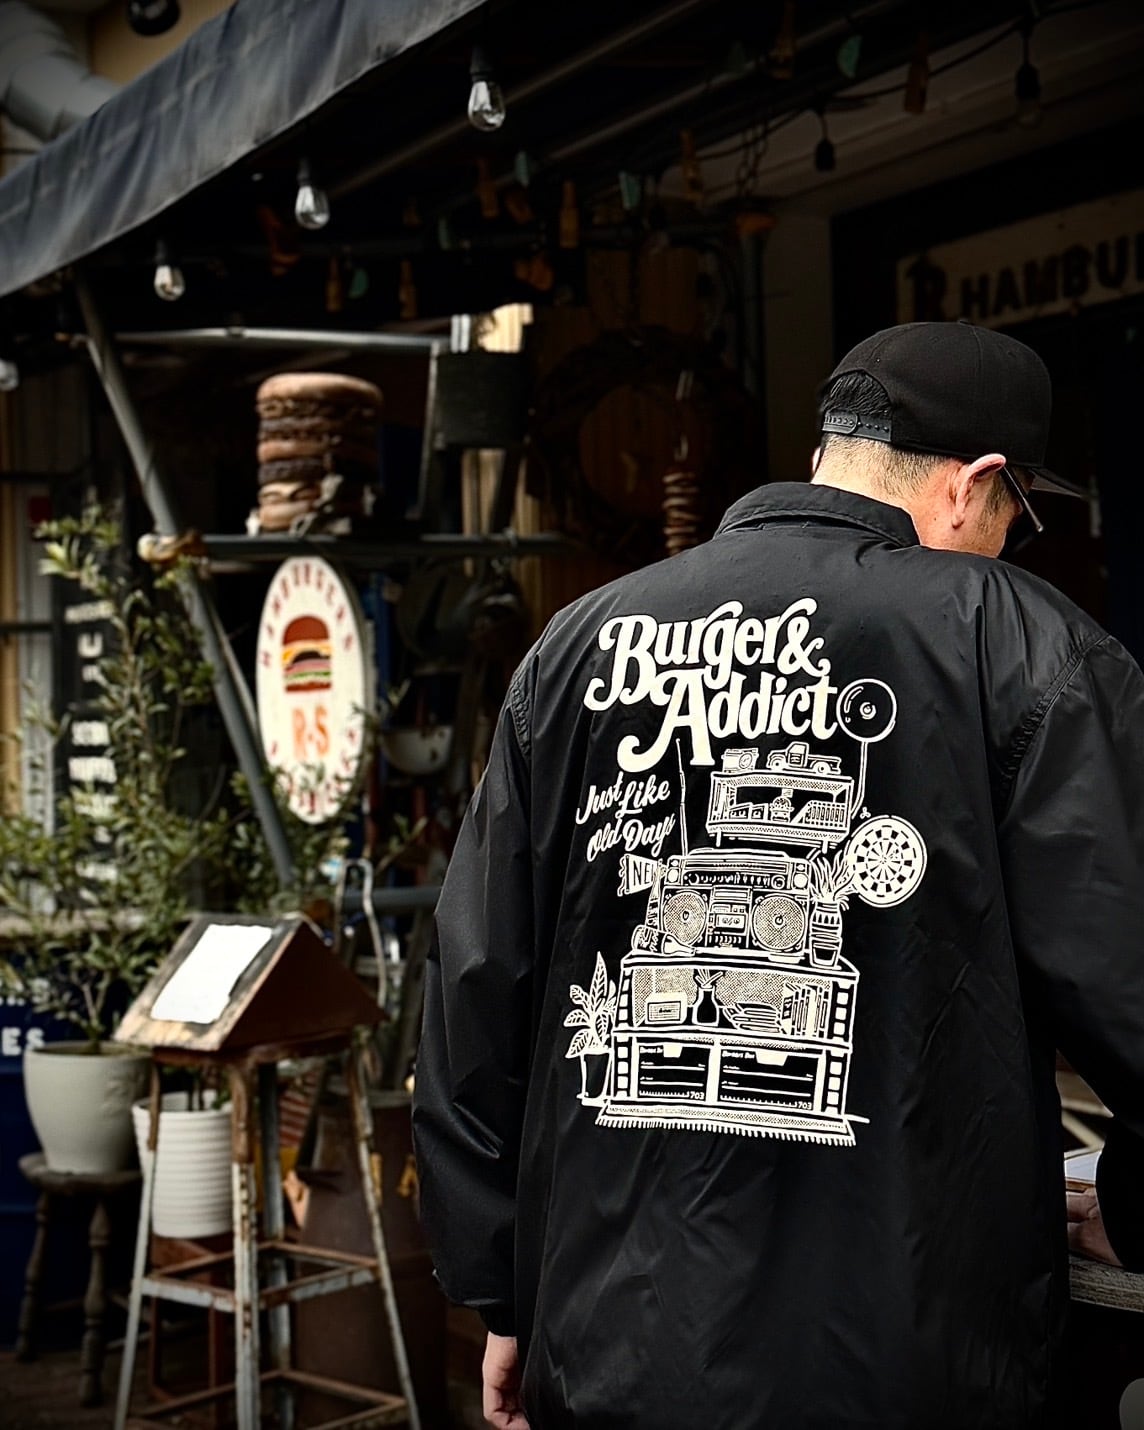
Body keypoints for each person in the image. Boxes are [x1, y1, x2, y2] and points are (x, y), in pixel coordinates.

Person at [412, 319, 1144, 1429]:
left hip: (608, 1351)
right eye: (1018, 517)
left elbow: (475, 995)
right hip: (916, 1369)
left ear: (825, 456)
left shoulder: (574, 648)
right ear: (974, 483)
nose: (1010, 548)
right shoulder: (1030, 649)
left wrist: (502, 1290)